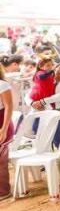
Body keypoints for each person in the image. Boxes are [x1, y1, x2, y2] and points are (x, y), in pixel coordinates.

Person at [0, 63, 15, 200]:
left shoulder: (2, 84)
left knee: (1, 159)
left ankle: (3, 191)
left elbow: (9, 106)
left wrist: (4, 129)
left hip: (2, 123)